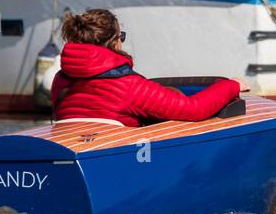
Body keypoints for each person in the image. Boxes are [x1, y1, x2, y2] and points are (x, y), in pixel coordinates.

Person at [51, 8, 240, 126]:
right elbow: (194, 109)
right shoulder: (128, 85)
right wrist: (232, 85)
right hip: (116, 158)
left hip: (72, 145)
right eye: (121, 36)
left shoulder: (61, 80)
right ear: (114, 42)